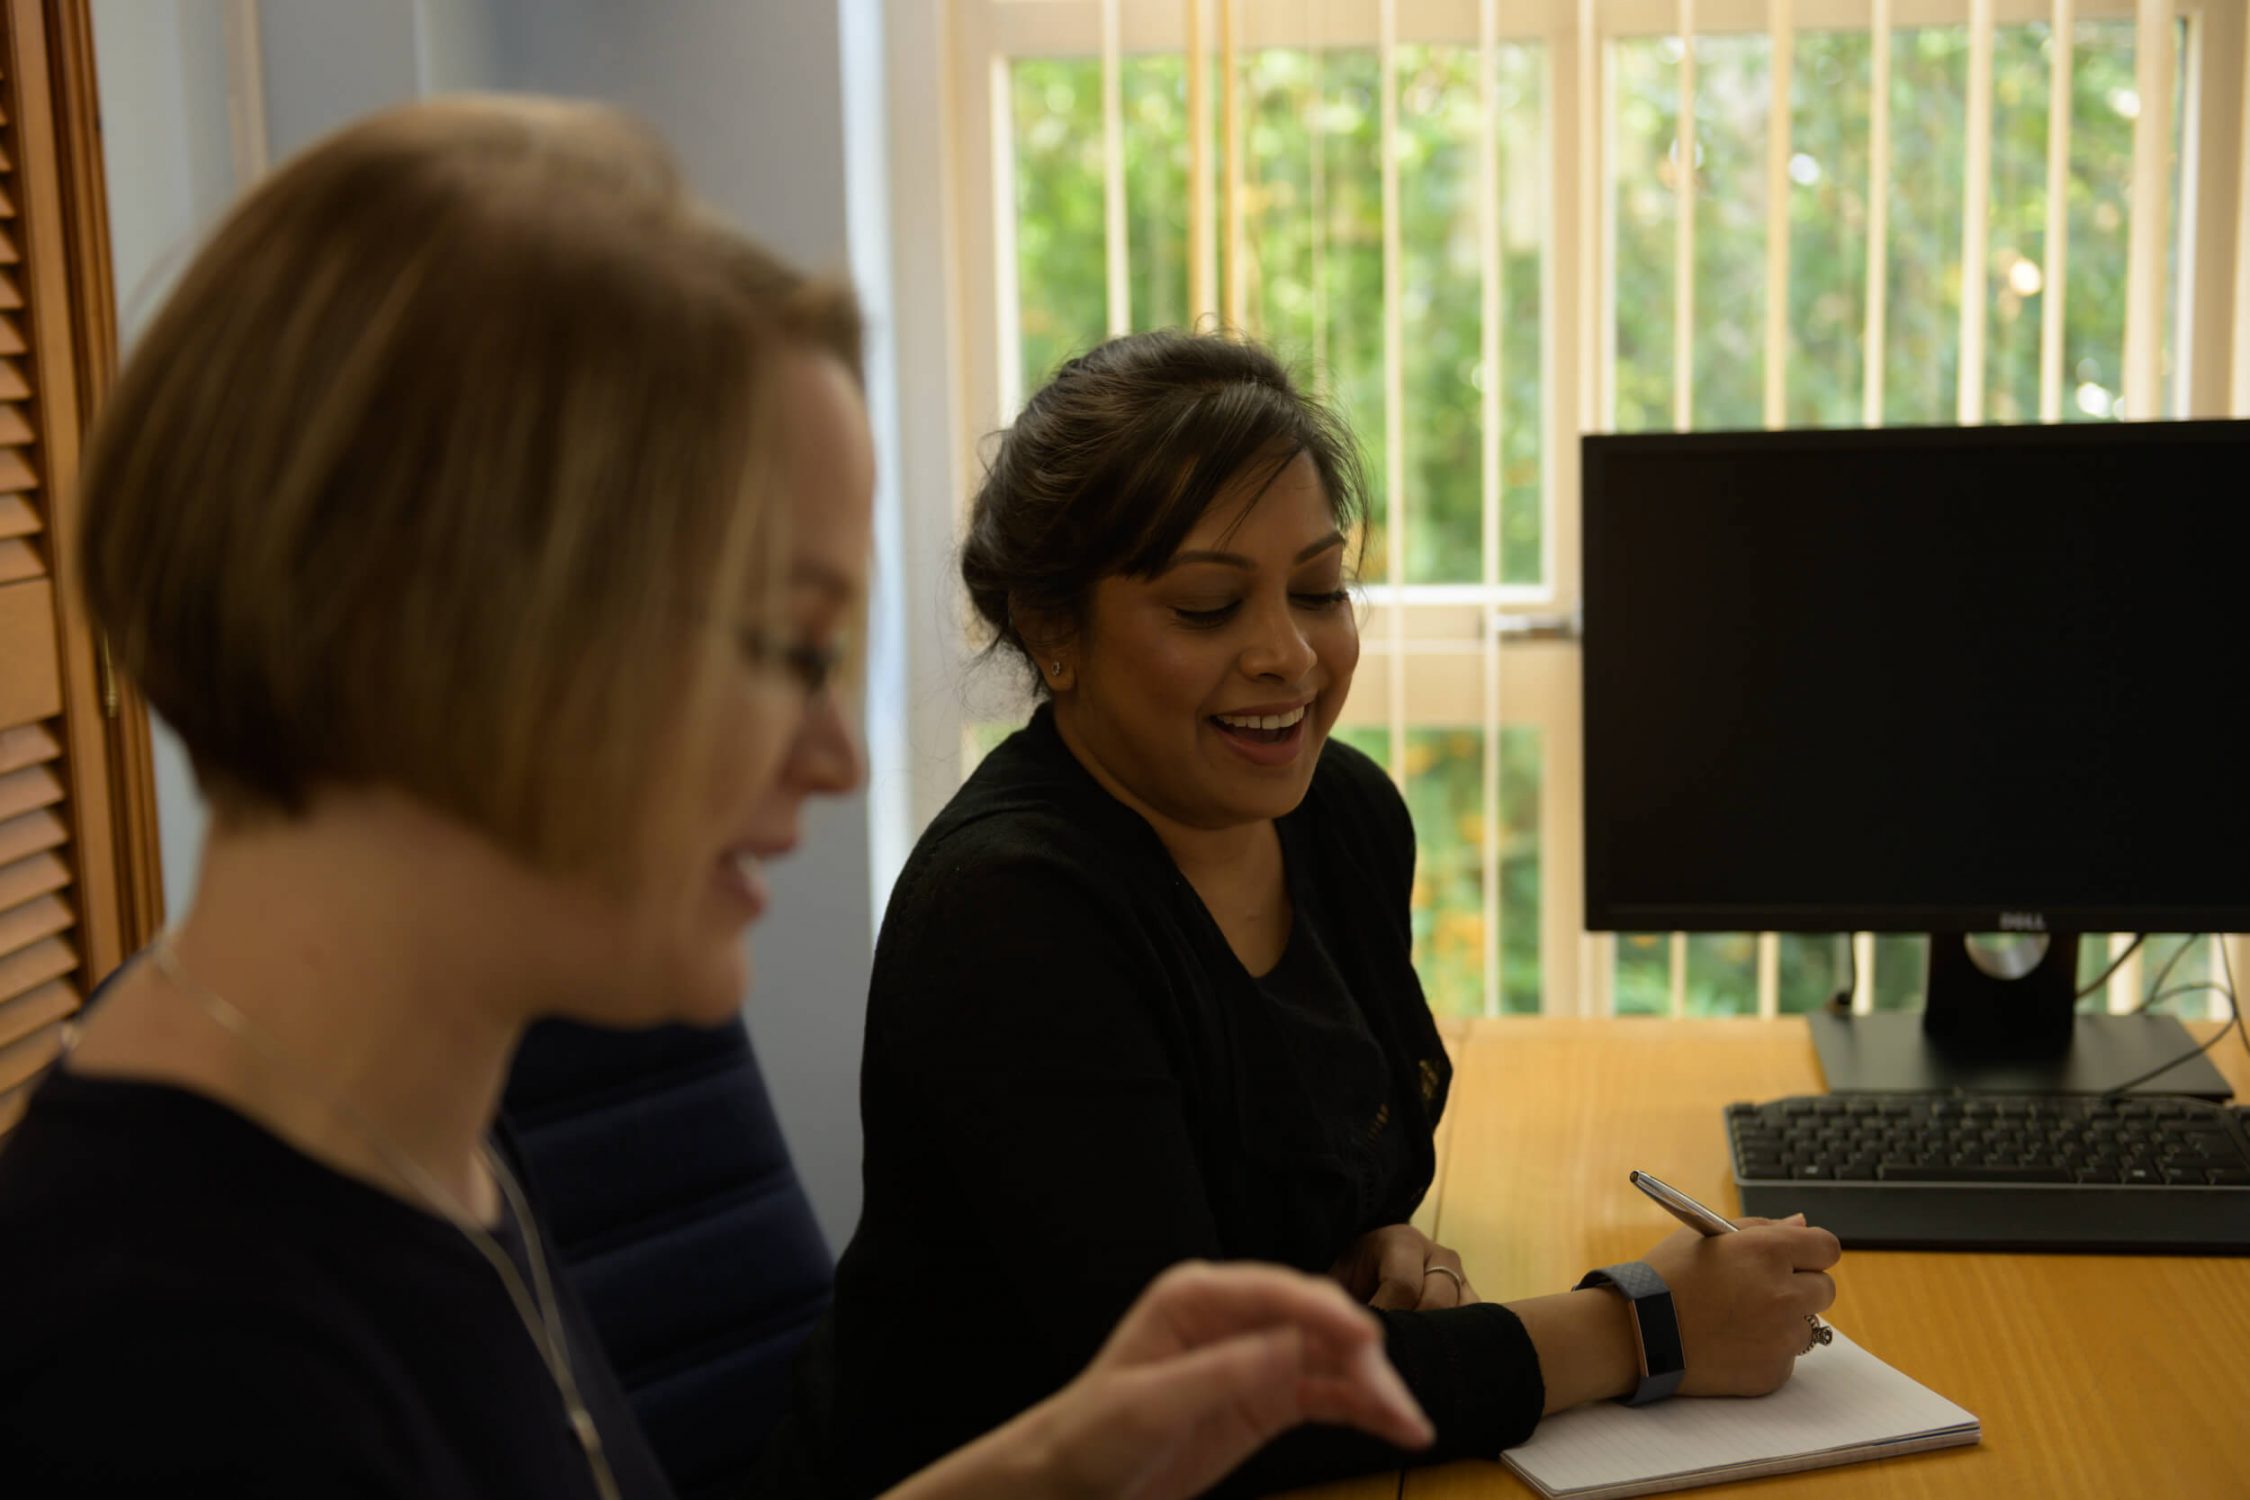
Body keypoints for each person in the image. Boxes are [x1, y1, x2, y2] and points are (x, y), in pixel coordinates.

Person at [0, 99, 1436, 1498]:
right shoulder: (162, 1360)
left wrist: (1076, 1457)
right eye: (775, 647)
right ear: (457, 637)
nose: (837, 759)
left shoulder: (406, 1139)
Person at [778, 330, 1845, 1496]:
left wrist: (1351, 1251)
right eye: (1206, 607)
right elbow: (1188, 1409)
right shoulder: (1013, 917)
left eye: (1321, 589)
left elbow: (1303, 1180)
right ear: (1053, 633)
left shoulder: (1342, 817)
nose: (1288, 654)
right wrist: (1644, 1329)